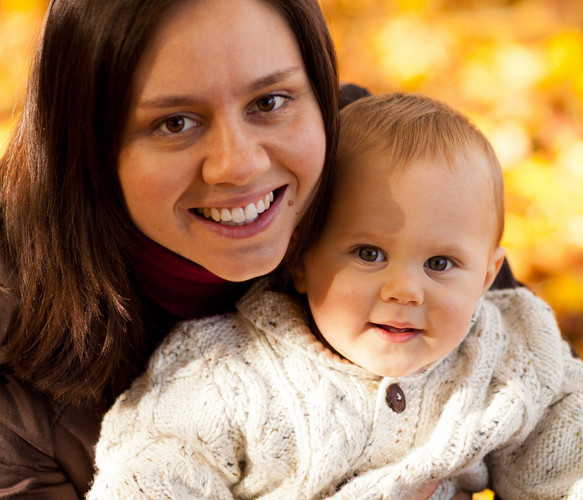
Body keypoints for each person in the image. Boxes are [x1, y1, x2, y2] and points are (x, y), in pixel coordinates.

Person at [88, 93, 583, 499]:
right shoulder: (227, 374)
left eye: (440, 264)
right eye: (368, 254)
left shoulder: (504, 359)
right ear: (302, 259)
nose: (405, 289)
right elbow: (153, 473)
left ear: (487, 277)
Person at [0, 0, 342, 497]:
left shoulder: (410, 185)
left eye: (269, 102)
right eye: (175, 123)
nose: (239, 165)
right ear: (88, 146)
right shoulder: (13, 387)